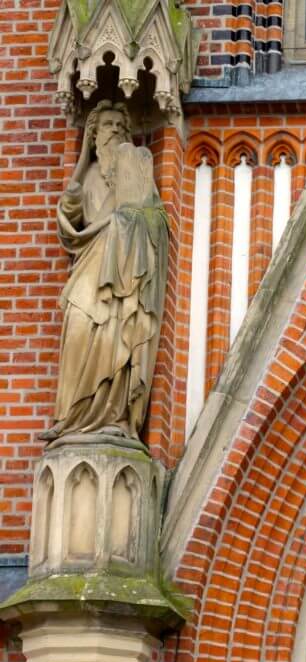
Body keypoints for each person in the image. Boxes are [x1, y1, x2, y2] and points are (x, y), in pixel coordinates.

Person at [41, 100, 168, 446]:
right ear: (93, 134)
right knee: (79, 327)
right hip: (91, 264)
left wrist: (126, 221)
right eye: (106, 124)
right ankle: (71, 419)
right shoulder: (89, 176)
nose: (113, 129)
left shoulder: (137, 170)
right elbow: (71, 216)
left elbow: (157, 223)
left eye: (118, 124)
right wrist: (83, 158)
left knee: (117, 334)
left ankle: (114, 415)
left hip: (124, 273)